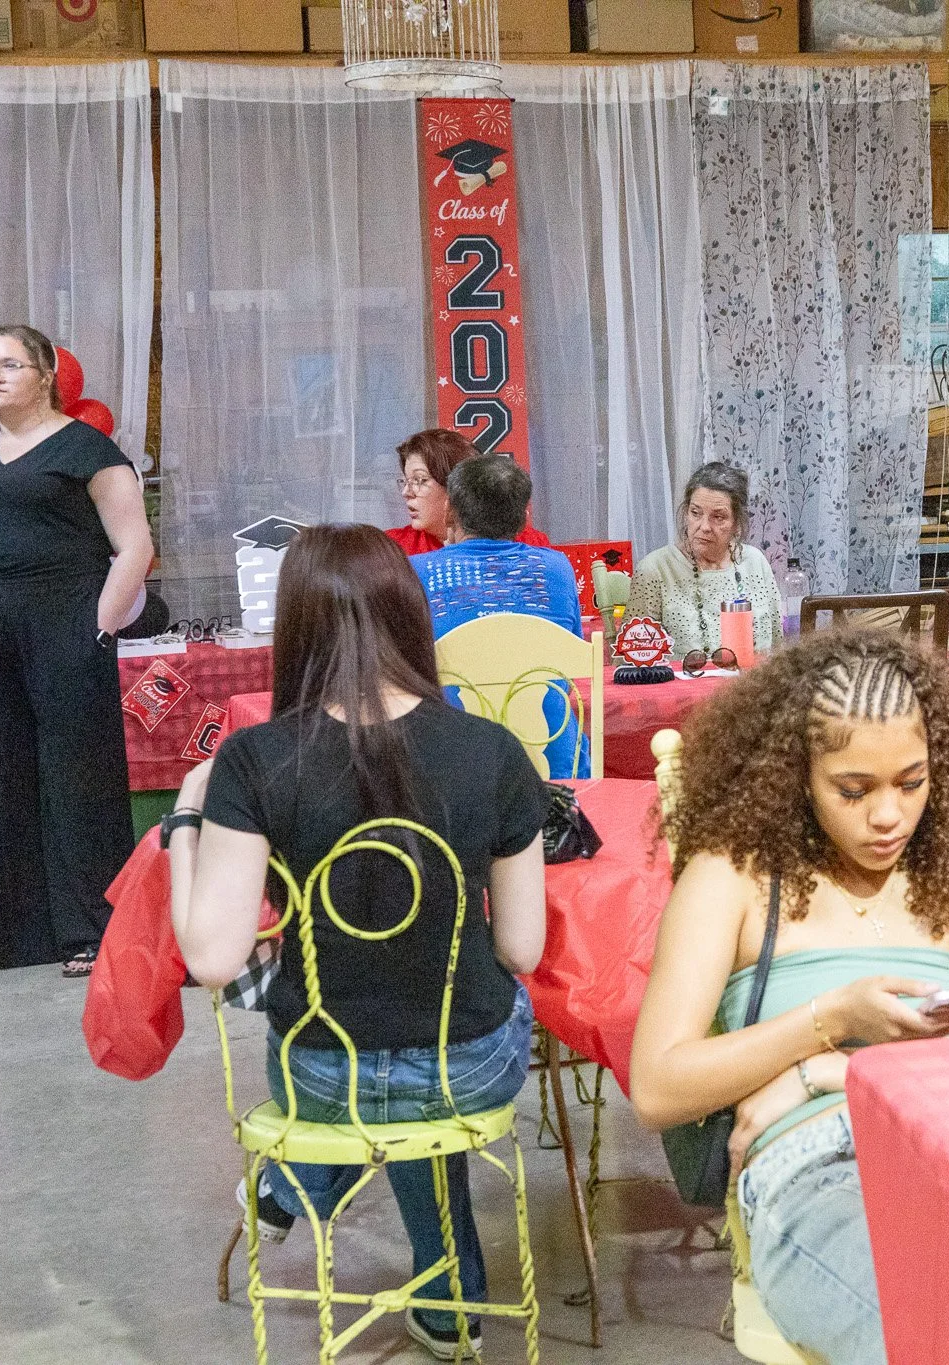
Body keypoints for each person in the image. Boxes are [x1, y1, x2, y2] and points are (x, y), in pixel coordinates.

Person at [167, 524, 547, 1362]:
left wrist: (184, 822)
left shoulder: (253, 759)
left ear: (293, 626)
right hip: (468, 1065)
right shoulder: (493, 751)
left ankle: (291, 1184)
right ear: (409, 613)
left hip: (319, 1070)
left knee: (377, 1065)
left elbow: (214, 959)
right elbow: (522, 948)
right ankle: (450, 1301)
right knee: (443, 1041)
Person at [630, 630, 949, 1365]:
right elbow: (659, 1086)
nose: (887, 815)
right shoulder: (735, 873)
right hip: (817, 1167)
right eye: (853, 790)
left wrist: (835, 1070)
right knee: (932, 1331)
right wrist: (831, 1017)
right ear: (797, 774)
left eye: (912, 782)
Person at [0, 324, 154, 976]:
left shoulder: (86, 447)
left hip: (62, 625)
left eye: (10, 364)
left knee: (77, 777)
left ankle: (92, 929)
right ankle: (17, 933)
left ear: (46, 373)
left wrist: (98, 628)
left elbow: (134, 546)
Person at [411, 454, 588, 779]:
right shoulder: (557, 569)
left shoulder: (415, 572)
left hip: (454, 766)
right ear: (523, 517)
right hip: (556, 764)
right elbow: (571, 665)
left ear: (449, 510)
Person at [626, 461, 780, 656]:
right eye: (696, 513)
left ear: (736, 523)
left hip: (752, 684)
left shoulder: (755, 562)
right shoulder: (655, 569)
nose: (704, 526)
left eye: (718, 517)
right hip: (679, 686)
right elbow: (631, 659)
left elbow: (777, 647)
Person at [386, 427, 551, 557]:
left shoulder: (529, 543)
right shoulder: (391, 549)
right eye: (405, 482)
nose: (406, 492)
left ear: (458, 486)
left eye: (419, 480)